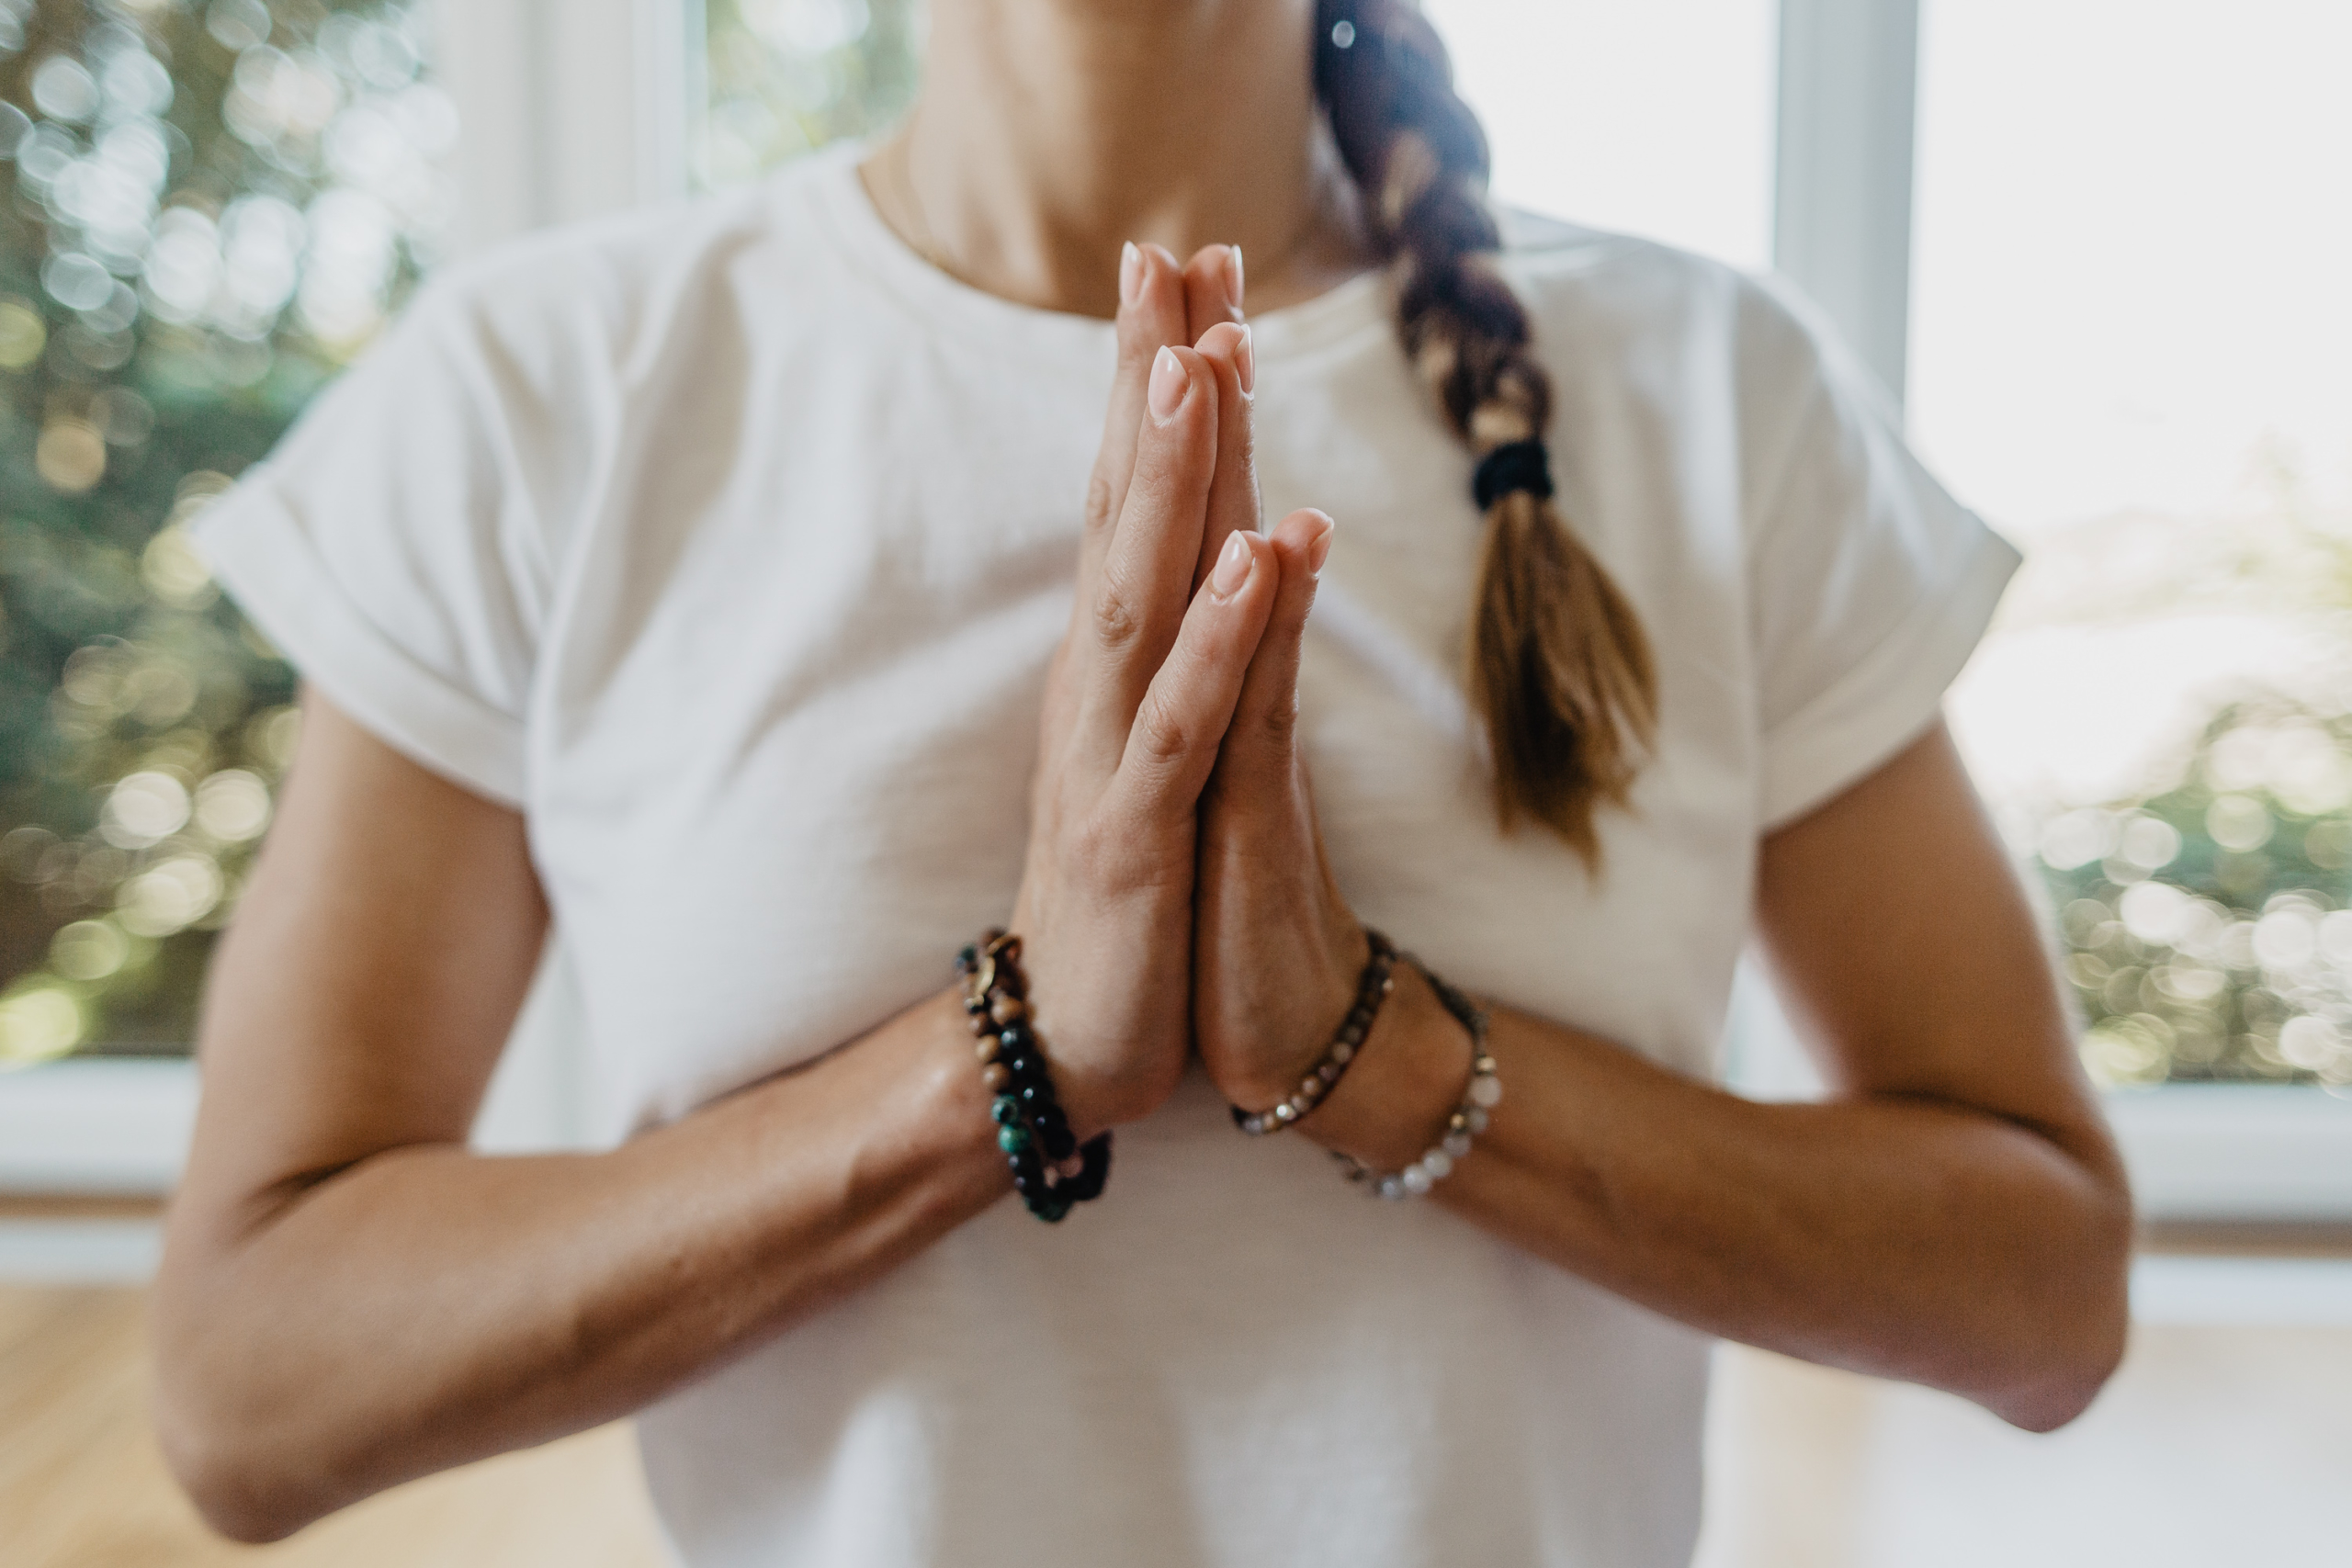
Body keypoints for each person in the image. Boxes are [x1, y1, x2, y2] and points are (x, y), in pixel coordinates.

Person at [153, 1, 2133, 1562]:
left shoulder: (1717, 389)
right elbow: (256, 1383)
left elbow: (2037, 1288)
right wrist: (995, 1057)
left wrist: (1377, 1049)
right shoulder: (541, 396)